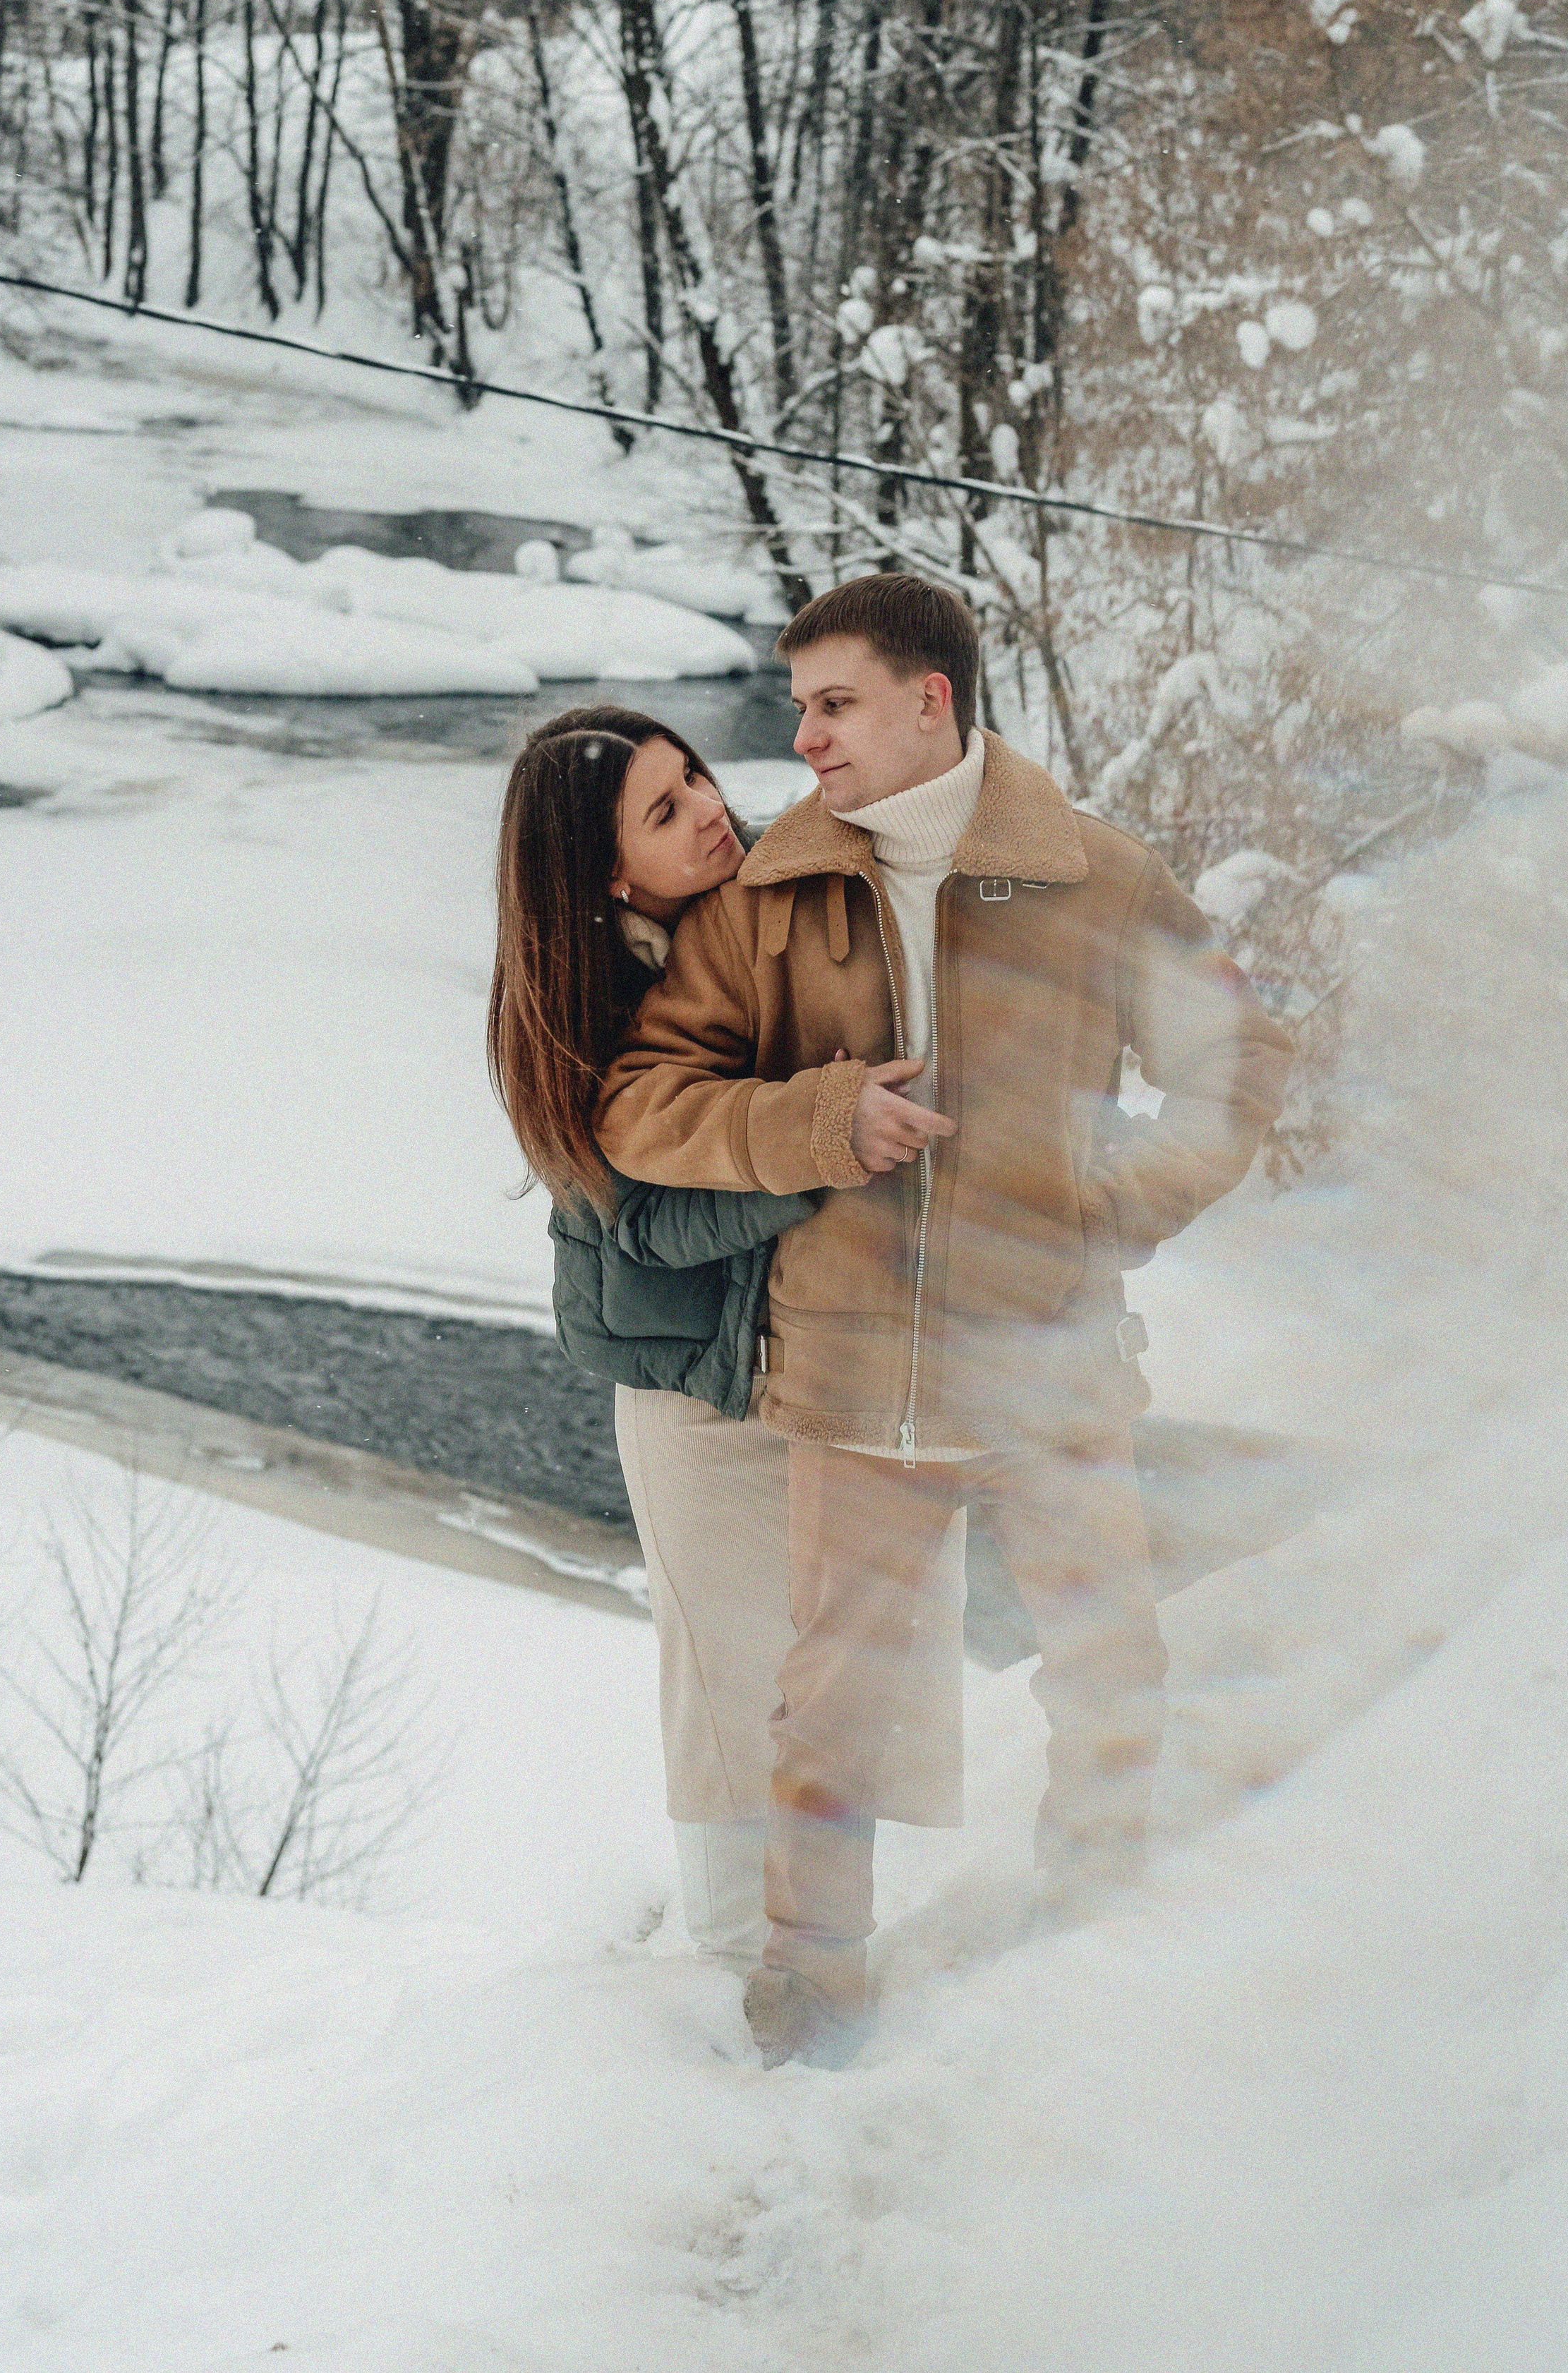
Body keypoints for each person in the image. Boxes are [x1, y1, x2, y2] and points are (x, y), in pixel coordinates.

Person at [596, 576, 1295, 2064]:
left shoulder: (1094, 876)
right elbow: (643, 1106)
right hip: (852, 1386)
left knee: (1108, 1667)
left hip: (1050, 1368)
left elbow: (1237, 1056)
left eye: (832, 702)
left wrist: (1110, 1208)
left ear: (932, 701)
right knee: (823, 1721)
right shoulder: (769, 896)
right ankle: (806, 2021)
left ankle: (1093, 1952)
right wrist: (817, 1120)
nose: (802, 736)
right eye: (796, 705)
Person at [486, 704, 966, 1969]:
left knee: (864, 1689)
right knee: (737, 1704)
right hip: (700, 1403)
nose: (709, 805)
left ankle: (858, 1962)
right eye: (663, 808)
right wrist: (821, 1149)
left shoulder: (772, 910)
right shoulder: (580, 1002)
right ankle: (728, 1983)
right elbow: (644, 1221)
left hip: (825, 1372)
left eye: (693, 774)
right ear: (603, 874)